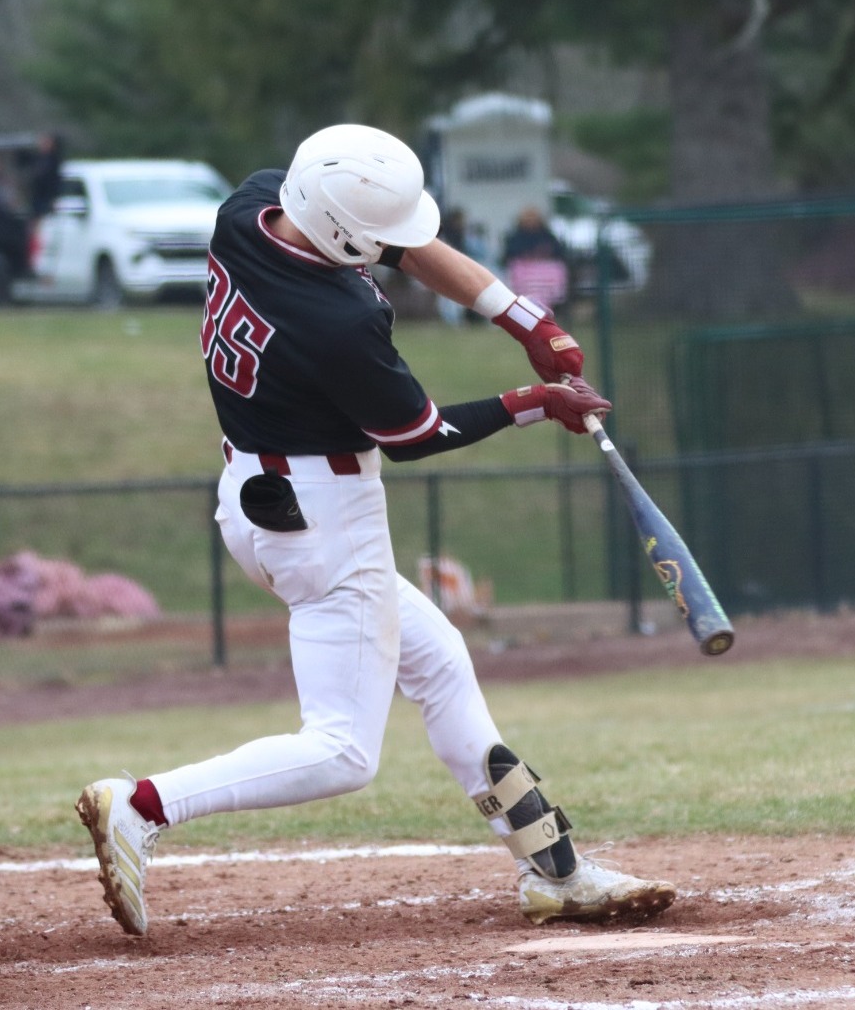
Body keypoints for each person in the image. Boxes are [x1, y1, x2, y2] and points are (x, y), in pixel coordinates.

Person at [75, 123, 677, 937]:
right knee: (344, 752)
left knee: (439, 661)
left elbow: (408, 245)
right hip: (325, 517)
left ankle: (554, 870)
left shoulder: (249, 207)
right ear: (340, 233)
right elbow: (415, 435)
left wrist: (523, 318)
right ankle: (142, 805)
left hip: (256, 493)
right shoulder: (338, 319)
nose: (395, 246)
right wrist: (534, 403)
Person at [500, 206, 571, 313]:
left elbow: (557, 252)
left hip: (545, 268)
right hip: (524, 269)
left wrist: (544, 253)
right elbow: (509, 254)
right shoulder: (516, 236)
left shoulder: (546, 235)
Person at [434, 206, 491, 327]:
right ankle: (453, 319)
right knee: (451, 297)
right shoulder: (447, 235)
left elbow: (479, 253)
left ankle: (464, 319)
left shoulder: (465, 235)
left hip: (463, 267)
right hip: (451, 268)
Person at [23, 132, 68, 219]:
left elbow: (53, 181)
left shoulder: (54, 161)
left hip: (47, 198)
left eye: (46, 142)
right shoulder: (38, 158)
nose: (43, 145)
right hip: (37, 197)